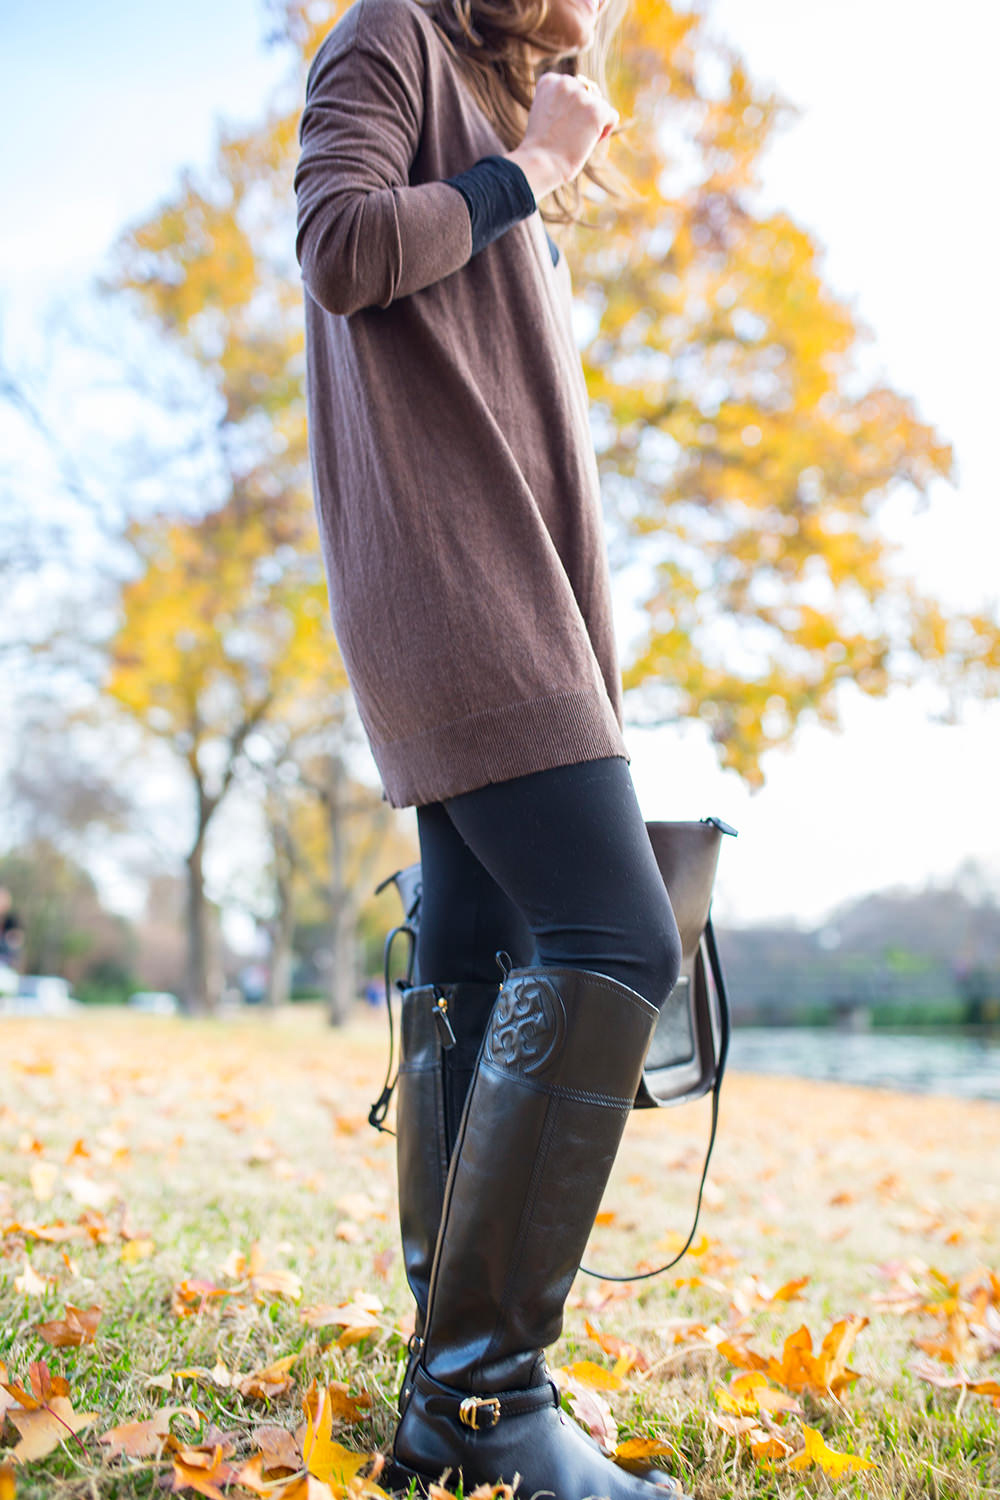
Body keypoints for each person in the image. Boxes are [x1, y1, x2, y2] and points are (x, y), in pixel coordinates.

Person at [294, 0, 688, 1494]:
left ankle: (448, 1373)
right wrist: (521, 169)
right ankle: (482, 1400)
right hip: (455, 584)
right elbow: (339, 248)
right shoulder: (386, 30)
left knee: (473, 944)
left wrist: (531, 169)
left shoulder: (499, 91)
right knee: (615, 934)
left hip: (519, 593)